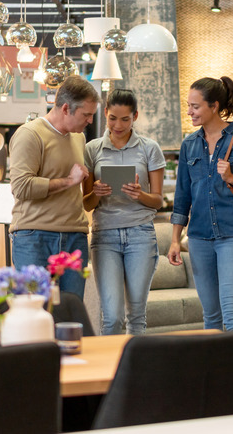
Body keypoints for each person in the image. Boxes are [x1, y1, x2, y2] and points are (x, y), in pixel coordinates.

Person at [167, 77, 233, 331]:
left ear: (214, 106)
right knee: (211, 317)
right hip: (198, 238)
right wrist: (174, 240)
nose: (190, 111)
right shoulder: (189, 145)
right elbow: (182, 197)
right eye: (189, 105)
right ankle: (212, 370)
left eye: (195, 106)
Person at [9, 75, 100, 299]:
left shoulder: (78, 138)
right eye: (86, 114)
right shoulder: (30, 134)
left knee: (72, 312)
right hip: (34, 236)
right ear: (66, 108)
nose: (90, 121)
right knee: (33, 310)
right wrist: (69, 181)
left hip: (75, 236)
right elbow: (21, 187)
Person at [82, 89, 165, 335]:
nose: (118, 125)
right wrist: (96, 192)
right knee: (112, 317)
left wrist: (140, 195)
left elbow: (158, 201)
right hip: (104, 235)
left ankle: (134, 372)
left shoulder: (150, 149)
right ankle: (111, 372)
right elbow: (86, 204)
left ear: (135, 116)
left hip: (141, 234)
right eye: (112, 118)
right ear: (105, 114)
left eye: (125, 119)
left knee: (136, 316)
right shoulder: (92, 149)